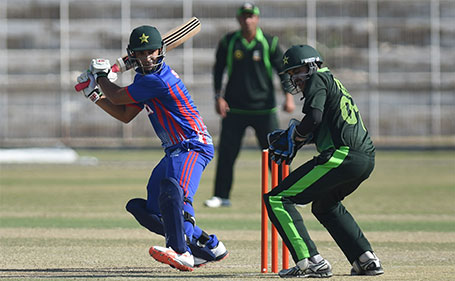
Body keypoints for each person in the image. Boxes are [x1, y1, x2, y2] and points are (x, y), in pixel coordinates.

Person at [76, 25, 228, 271]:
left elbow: (116, 95)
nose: (147, 57)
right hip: (174, 150)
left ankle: (183, 252)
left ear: (161, 51)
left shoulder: (160, 80)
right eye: (141, 52)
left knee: (174, 190)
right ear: (132, 54)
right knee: (148, 211)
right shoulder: (143, 80)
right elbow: (124, 113)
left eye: (151, 52)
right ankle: (208, 245)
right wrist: (94, 94)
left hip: (193, 145)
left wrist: (101, 75)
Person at [264, 44, 384, 278]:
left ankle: (310, 262)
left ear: (310, 66)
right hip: (364, 158)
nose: (294, 80)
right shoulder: (332, 81)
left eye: (296, 72)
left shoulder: (318, 78)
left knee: (278, 199)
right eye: (291, 75)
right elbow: (320, 126)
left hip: (344, 155)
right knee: (324, 206)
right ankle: (365, 258)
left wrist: (294, 137)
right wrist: (297, 140)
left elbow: (314, 117)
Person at [204, 2, 295, 208]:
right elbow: (218, 71)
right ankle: (221, 195)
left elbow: (282, 71)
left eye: (251, 16)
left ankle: (285, 194)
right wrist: (218, 97)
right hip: (234, 108)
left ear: (257, 18)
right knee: (227, 153)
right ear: (238, 19)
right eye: (244, 16)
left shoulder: (270, 43)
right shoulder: (228, 42)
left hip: (264, 109)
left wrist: (288, 97)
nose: (247, 20)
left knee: (276, 153)